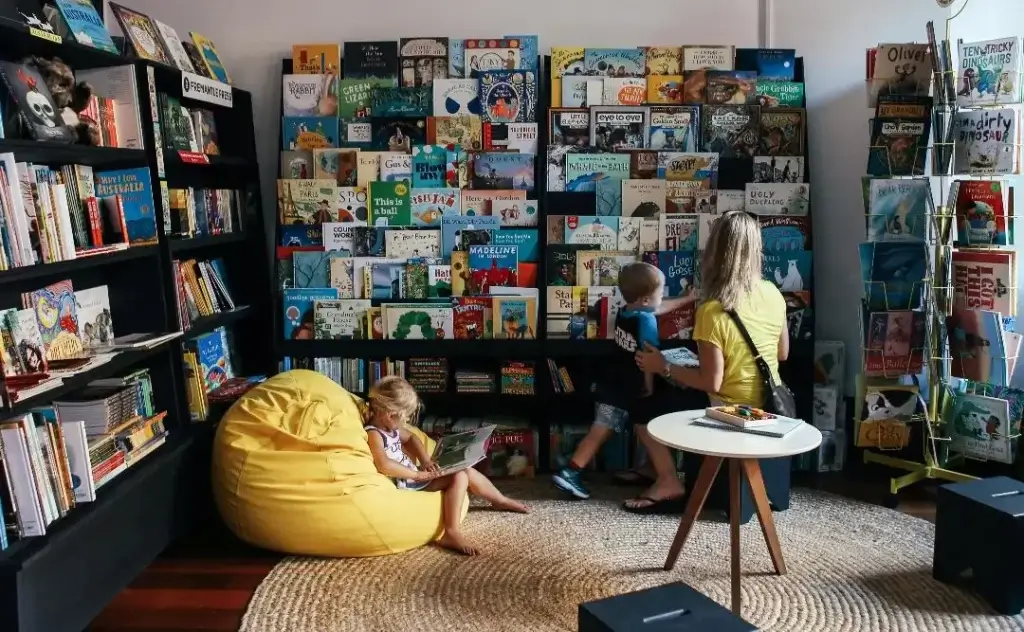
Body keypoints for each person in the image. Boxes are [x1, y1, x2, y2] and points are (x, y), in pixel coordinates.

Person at [630, 210, 789, 511]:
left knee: (645, 405)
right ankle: (658, 471)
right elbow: (782, 354)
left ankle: (667, 479)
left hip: (729, 408)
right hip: (768, 402)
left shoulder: (713, 310)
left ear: (714, 253)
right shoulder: (773, 293)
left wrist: (662, 365)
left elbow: (711, 382)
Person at [552, 262, 696, 500]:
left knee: (602, 430)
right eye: (660, 293)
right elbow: (648, 357)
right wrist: (648, 384)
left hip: (613, 383)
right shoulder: (647, 323)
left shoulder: (626, 311)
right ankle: (572, 471)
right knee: (608, 431)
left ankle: (574, 468)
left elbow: (656, 308)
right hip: (630, 387)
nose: (662, 297)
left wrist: (684, 298)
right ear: (647, 300)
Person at [363, 376, 528, 556]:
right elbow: (384, 464)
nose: (406, 422)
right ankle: (451, 532)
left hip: (414, 476)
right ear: (389, 414)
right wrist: (417, 475)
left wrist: (425, 460)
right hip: (408, 484)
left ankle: (498, 500)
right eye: (405, 417)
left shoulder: (390, 427)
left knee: (464, 469)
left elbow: (412, 438)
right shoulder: (374, 434)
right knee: (460, 476)